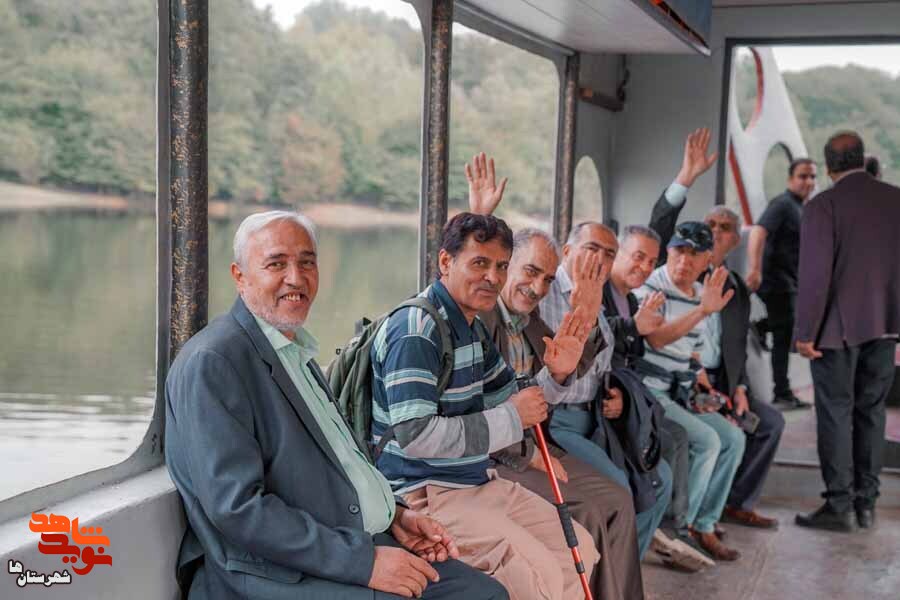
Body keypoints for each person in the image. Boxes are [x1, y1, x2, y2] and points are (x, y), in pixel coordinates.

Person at [164, 211, 508, 600]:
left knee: (487, 593)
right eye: (276, 264)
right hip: (272, 573)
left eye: (306, 263)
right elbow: (238, 509)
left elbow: (339, 462)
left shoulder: (293, 351)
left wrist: (396, 516)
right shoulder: (215, 362)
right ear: (239, 276)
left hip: (348, 537)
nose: (296, 278)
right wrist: (364, 563)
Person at [370, 212, 599, 600]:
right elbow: (415, 435)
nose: (493, 277)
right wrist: (512, 416)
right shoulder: (416, 329)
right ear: (446, 261)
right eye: (480, 263)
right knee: (539, 576)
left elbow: (515, 399)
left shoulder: (471, 328)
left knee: (579, 550)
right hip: (425, 493)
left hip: (476, 482)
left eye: (501, 266)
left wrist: (557, 374)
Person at [465, 153, 645, 599]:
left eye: (547, 280)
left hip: (532, 441)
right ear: (505, 268)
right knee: (587, 510)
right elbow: (450, 286)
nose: (538, 288)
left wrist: (588, 313)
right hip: (494, 455)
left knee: (619, 499)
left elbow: (560, 374)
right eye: (530, 272)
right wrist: (478, 217)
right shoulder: (479, 314)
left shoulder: (528, 323)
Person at [540, 221, 674, 562]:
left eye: (609, 253)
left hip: (597, 418)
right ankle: (611, 576)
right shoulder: (545, 294)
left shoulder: (598, 298)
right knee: (619, 488)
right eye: (592, 248)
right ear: (567, 251)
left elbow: (604, 365)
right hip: (557, 421)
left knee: (660, 479)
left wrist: (619, 397)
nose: (599, 259)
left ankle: (625, 570)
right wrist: (582, 311)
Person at [794, 132, 900, 532]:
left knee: (836, 413)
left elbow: (815, 274)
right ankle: (867, 504)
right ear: (861, 158)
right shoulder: (895, 199)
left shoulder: (822, 206)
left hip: (835, 329)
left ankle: (839, 506)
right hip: (886, 326)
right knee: (872, 411)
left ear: (828, 166)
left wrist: (805, 331)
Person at [632, 223, 745, 561]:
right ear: (668, 252)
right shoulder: (652, 286)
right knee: (707, 442)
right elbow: (656, 339)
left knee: (734, 438)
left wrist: (703, 387)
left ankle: (704, 524)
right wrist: (702, 311)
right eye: (679, 251)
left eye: (694, 254)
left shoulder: (701, 293)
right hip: (649, 390)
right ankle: (681, 529)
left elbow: (693, 354)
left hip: (679, 391)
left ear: (707, 259)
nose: (684, 260)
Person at [604, 225, 714, 570]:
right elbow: (635, 342)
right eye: (637, 257)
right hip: (613, 399)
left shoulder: (630, 298)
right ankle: (668, 531)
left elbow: (631, 352)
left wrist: (700, 384)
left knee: (699, 440)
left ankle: (682, 527)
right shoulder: (618, 293)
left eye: (650, 261)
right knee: (675, 444)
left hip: (635, 394)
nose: (644, 267)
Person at [698, 207, 785, 528]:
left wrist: (741, 388)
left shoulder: (737, 288)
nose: (715, 231)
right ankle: (700, 513)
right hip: (692, 380)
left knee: (770, 423)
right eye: (710, 224)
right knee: (726, 432)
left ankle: (737, 502)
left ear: (735, 240)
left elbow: (737, 347)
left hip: (725, 381)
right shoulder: (686, 273)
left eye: (724, 227)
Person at [745, 158, 819, 410]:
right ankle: (782, 392)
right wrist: (755, 269)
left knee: (787, 328)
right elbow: (758, 232)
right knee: (784, 334)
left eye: (812, 176)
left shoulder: (800, 207)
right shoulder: (783, 204)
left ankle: (762, 326)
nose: (808, 181)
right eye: (802, 176)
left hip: (790, 281)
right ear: (790, 179)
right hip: (776, 281)